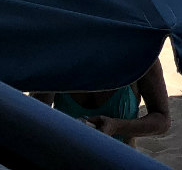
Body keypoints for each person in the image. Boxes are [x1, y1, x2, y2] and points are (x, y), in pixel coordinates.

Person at [38, 61, 172, 148]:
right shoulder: (59, 54)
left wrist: (117, 126)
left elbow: (162, 119)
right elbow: (36, 119)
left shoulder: (141, 54)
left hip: (119, 162)